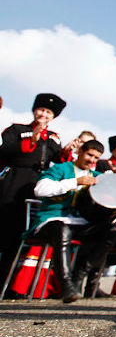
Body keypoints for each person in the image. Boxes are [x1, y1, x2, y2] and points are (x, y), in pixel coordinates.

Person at [29, 139, 116, 303]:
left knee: (112, 230)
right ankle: (66, 285)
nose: (92, 160)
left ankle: (79, 276)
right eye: (89, 155)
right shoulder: (60, 168)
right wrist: (75, 182)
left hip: (80, 223)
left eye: (96, 158)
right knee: (63, 229)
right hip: (51, 220)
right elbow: (39, 190)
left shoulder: (98, 177)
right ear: (80, 152)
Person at [0, 93, 66, 289]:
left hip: (37, 186)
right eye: (41, 110)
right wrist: (31, 141)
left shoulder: (54, 137)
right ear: (34, 110)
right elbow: (4, 151)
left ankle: (11, 283)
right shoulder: (16, 129)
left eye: (48, 112)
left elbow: (58, 160)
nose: (43, 114)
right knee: (6, 225)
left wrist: (67, 151)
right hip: (14, 181)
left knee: (23, 232)